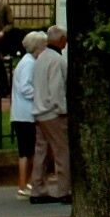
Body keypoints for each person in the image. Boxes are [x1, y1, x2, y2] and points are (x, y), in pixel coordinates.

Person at [29, 23, 70, 204]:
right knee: (62, 152)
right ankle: (64, 189)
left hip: (38, 111)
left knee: (41, 151)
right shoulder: (57, 60)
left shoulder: (41, 58)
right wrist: (62, 109)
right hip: (53, 113)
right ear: (61, 40)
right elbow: (57, 88)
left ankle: (37, 189)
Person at [10, 29, 47, 198]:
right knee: (26, 152)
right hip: (25, 115)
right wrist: (40, 95)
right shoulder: (29, 63)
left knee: (28, 151)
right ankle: (23, 185)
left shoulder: (26, 62)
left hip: (22, 114)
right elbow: (25, 87)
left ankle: (27, 184)